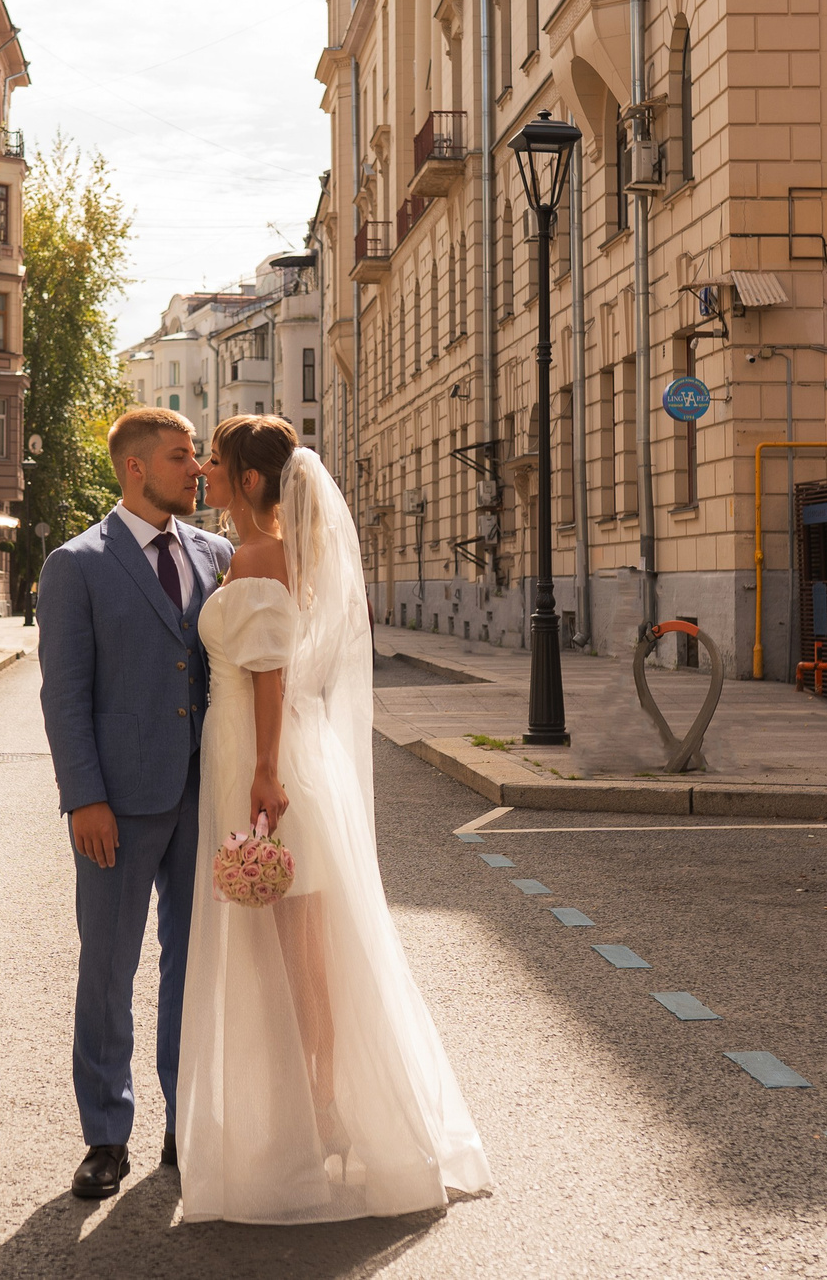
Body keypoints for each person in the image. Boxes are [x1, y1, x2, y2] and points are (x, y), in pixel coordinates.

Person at [175, 415, 492, 1223]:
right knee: (308, 949)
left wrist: (264, 770)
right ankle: (322, 1106)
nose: (205, 470)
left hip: (264, 756)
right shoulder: (283, 553)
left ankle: (316, 1112)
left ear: (249, 480)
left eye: (215, 460)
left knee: (292, 953)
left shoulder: (257, 556)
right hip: (284, 753)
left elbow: (270, 675)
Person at [37, 408, 233, 1202]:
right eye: (183, 456)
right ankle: (106, 1134)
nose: (198, 469)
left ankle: (184, 1121)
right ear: (136, 468)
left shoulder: (217, 554)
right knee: (108, 966)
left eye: (198, 455)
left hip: (203, 792)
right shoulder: (76, 564)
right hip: (116, 803)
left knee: (194, 964)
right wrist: (84, 795)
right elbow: (64, 695)